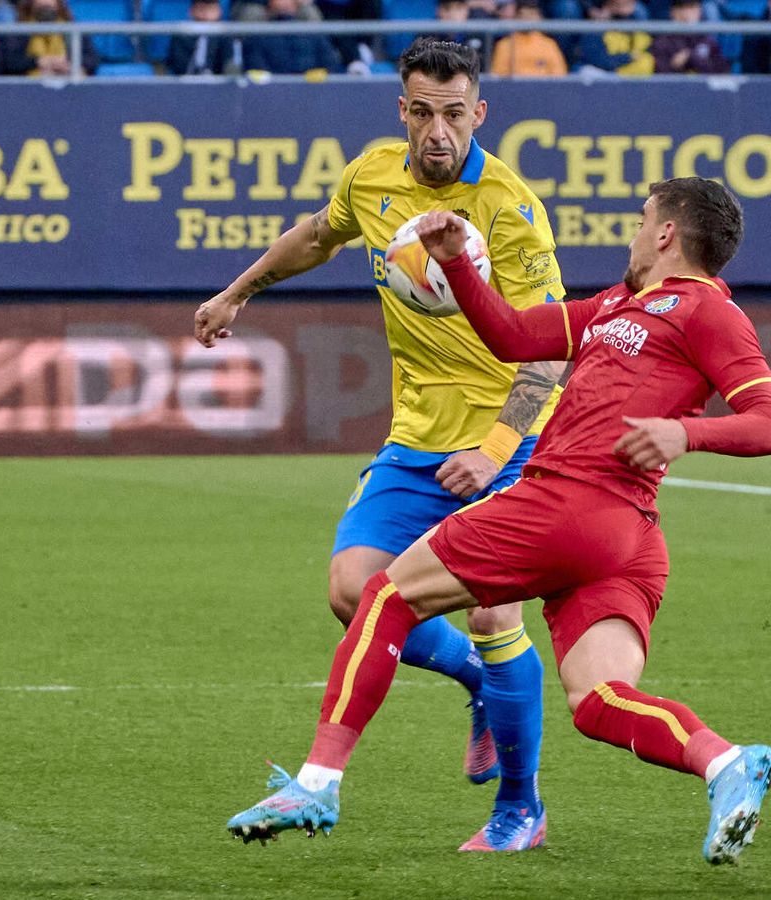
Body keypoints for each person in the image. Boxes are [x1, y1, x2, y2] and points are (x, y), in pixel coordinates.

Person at [225, 176, 771, 867]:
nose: (635, 233)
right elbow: (513, 336)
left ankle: (316, 784)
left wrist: (684, 433)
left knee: (388, 597)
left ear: (667, 233)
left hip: (568, 502)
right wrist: (456, 262)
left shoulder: (709, 312)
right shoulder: (615, 305)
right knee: (598, 700)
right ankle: (725, 762)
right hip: (623, 537)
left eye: (643, 220)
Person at [195, 39, 567, 852]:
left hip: (507, 439)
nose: (439, 131)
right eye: (423, 112)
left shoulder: (510, 208)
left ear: (480, 112)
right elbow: (317, 235)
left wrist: (496, 447)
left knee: (494, 611)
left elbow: (549, 352)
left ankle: (520, 809)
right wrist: (237, 292)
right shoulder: (371, 176)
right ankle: (476, 683)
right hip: (416, 439)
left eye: (455, 114)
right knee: (352, 590)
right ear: (402, 111)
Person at [0, 0, 99, 76]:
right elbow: (7, 63)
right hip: (26, 89)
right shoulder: (18, 31)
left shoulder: (72, 29)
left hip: (67, 86)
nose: (45, 2)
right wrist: (38, 62)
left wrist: (66, 63)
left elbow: (92, 60)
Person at [241, 0, 342, 74]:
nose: (285, 2)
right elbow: (257, 70)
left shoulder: (314, 35)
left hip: (312, 91)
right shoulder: (257, 38)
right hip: (273, 92)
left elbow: (331, 66)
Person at [489, 0, 569, 76]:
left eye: (532, 14)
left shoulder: (549, 45)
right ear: (516, 16)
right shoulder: (504, 45)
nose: (528, 19)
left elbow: (559, 77)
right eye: (523, 14)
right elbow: (498, 77)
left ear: (539, 17)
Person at [573, 0, 654, 75]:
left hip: (625, 75)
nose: (623, 9)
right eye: (617, 4)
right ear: (607, 6)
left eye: (628, 4)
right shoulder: (596, 29)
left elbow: (644, 52)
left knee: (646, 62)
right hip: (604, 73)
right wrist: (627, 58)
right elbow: (597, 59)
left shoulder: (638, 27)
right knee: (587, 72)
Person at [651, 0, 730, 73]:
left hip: (703, 84)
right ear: (672, 12)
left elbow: (722, 71)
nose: (686, 13)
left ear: (699, 11)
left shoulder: (708, 41)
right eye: (681, 8)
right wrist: (675, 65)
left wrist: (691, 56)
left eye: (691, 7)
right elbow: (660, 74)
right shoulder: (662, 42)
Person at [164, 0, 238, 74]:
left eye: (211, 9)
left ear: (219, 11)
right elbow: (178, 66)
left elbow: (229, 64)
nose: (206, 15)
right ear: (191, 10)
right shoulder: (181, 36)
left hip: (216, 79)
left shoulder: (225, 36)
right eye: (201, 9)